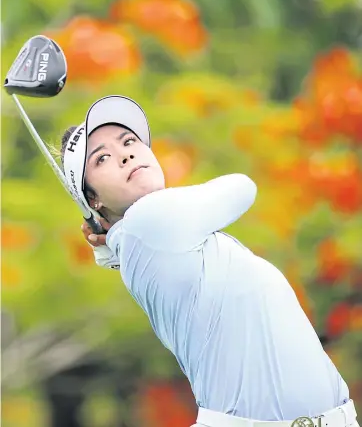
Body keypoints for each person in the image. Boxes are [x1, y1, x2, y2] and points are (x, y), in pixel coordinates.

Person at [60, 95, 358, 427]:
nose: (125, 154)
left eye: (129, 141)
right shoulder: (149, 219)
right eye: (102, 159)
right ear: (93, 200)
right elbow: (242, 187)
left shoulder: (150, 236)